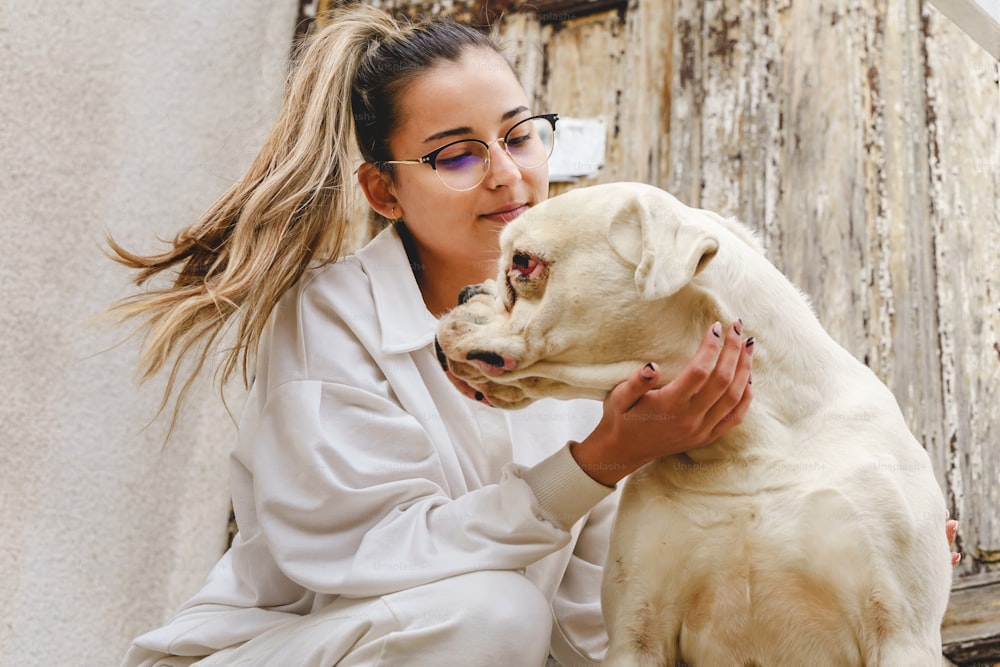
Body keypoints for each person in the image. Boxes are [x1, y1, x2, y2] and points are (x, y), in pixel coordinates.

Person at [111, 6, 957, 666]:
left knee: (505, 619)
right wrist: (597, 464)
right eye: (455, 155)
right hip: (287, 648)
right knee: (490, 613)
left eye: (519, 135)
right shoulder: (335, 315)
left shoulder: (582, 351)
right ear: (384, 190)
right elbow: (372, 556)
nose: (509, 175)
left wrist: (882, 547)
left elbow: (592, 627)